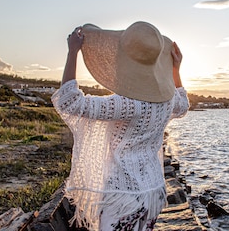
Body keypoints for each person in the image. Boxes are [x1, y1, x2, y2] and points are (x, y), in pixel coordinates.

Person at [51, 21, 190, 231]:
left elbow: (69, 101)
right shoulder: (166, 101)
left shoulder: (126, 104)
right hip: (153, 192)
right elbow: (183, 105)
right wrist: (175, 70)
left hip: (122, 198)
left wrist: (73, 52)